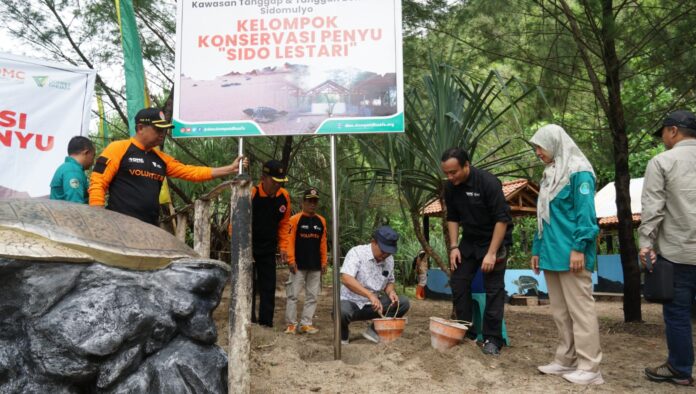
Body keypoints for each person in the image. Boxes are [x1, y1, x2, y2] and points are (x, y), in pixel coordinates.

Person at [528, 124, 603, 385]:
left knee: (580, 311)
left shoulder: (579, 173)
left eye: (540, 146)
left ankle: (590, 367)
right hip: (551, 252)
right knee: (560, 312)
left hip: (573, 253)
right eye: (535, 147)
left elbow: (586, 216)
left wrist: (579, 248)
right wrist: (537, 249)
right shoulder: (550, 174)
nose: (537, 152)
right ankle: (566, 359)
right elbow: (542, 216)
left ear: (555, 143)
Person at [88, 108, 244, 225]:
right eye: (158, 129)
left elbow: (191, 172)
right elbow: (98, 183)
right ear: (140, 128)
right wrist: (99, 219)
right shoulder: (118, 148)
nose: (163, 133)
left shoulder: (161, 159)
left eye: (164, 129)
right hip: (118, 223)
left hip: (150, 226)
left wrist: (230, 168)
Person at [639, 110, 696, 387]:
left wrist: (645, 245)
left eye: (663, 132)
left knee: (678, 315)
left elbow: (653, 210)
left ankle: (680, 370)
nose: (662, 138)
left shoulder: (662, 161)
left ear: (673, 130)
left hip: (678, 254)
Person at [441, 147, 512, 355]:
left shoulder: (488, 183)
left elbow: (502, 220)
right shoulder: (450, 187)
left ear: (466, 165)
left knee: (493, 289)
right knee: (459, 281)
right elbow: (452, 217)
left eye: (453, 172)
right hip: (470, 241)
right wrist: (454, 246)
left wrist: (491, 253)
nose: (450, 176)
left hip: (495, 240)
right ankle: (467, 331)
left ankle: (493, 338)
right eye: (446, 173)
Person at [339, 225, 410, 344]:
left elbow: (389, 281)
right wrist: (370, 295)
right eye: (383, 251)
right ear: (374, 242)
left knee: (402, 302)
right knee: (340, 310)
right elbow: (346, 278)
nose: (385, 255)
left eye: (389, 253)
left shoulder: (389, 259)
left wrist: (391, 292)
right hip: (351, 303)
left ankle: (374, 330)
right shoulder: (356, 253)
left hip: (375, 306)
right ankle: (343, 333)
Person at [251, 159, 292, 328]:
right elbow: (236, 222)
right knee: (248, 285)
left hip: (268, 248)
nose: (277, 186)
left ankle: (266, 323)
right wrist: (239, 246)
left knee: (268, 286)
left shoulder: (284, 197)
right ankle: (248, 320)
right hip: (248, 248)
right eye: (274, 182)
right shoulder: (251, 193)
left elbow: (284, 224)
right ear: (263, 178)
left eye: (280, 182)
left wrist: (283, 247)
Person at [284, 187, 328, 335]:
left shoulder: (321, 221)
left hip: (315, 266)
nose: (312, 204)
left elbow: (323, 243)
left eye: (315, 201)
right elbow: (289, 241)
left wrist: (324, 262)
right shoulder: (294, 220)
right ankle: (291, 324)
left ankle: (306, 323)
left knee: (312, 296)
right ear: (303, 202)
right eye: (309, 201)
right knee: (293, 295)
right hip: (298, 265)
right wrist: (291, 260)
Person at [50, 136, 95, 203]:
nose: (93, 161)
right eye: (93, 156)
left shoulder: (65, 167)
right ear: (86, 153)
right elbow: (76, 205)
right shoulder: (73, 171)